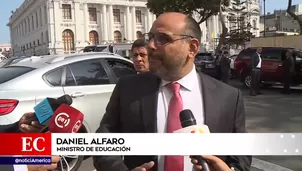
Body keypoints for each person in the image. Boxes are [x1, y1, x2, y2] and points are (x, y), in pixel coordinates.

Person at [93, 12, 251, 171]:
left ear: (192, 47)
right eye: (151, 37)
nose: (151, 45)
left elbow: (241, 157)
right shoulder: (128, 88)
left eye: (162, 38)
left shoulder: (228, 97)